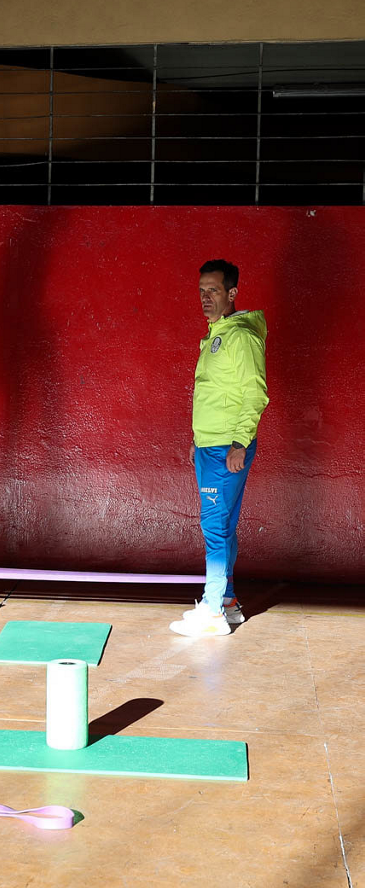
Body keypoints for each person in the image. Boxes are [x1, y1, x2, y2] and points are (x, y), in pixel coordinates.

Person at [170, 259, 268, 637]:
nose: (205, 297)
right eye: (201, 290)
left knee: (214, 526)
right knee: (222, 525)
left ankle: (212, 612)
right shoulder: (219, 333)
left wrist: (240, 442)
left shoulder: (240, 336)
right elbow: (216, 394)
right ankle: (227, 602)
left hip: (227, 446)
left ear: (232, 293)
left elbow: (255, 393)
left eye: (213, 290)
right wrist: (197, 440)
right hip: (210, 445)